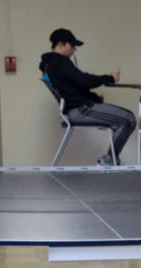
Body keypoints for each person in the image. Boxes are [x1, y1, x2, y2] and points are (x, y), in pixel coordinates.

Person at [39, 28, 134, 165]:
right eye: (72, 45)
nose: (75, 50)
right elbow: (84, 81)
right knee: (129, 120)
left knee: (122, 119)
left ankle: (111, 158)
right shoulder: (60, 63)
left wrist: (94, 98)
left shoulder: (49, 64)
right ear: (60, 44)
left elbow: (73, 86)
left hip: (75, 110)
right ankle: (110, 159)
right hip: (81, 110)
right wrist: (110, 78)